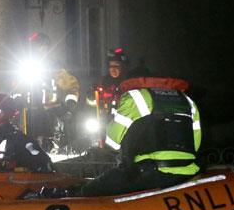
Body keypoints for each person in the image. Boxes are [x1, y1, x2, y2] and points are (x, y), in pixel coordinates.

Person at [74, 83, 203, 197]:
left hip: (147, 174)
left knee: (89, 191)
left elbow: (113, 141)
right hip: (188, 171)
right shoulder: (187, 100)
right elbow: (196, 143)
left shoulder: (134, 97)